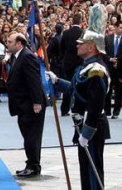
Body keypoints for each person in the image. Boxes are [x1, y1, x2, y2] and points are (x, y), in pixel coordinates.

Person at [46, 25, 110, 190]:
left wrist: (87, 133)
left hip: (92, 125)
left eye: (81, 43)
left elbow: (95, 106)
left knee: (92, 168)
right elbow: (77, 90)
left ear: (91, 47)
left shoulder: (97, 71)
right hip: (83, 123)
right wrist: (57, 81)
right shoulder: (86, 67)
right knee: (85, 167)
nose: (77, 45)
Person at [6, 33, 46, 177]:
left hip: (31, 104)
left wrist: (36, 102)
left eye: (10, 41)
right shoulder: (17, 56)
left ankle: (33, 166)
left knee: (31, 136)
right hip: (23, 104)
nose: (7, 43)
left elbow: (34, 81)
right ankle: (32, 163)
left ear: (19, 43)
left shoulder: (27, 56)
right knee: (28, 135)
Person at [60, 13, 83, 116]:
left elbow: (62, 48)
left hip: (68, 63)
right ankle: (77, 108)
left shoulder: (65, 33)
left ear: (72, 22)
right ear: (81, 22)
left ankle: (64, 109)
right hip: (80, 63)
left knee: (67, 86)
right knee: (80, 86)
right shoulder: (83, 33)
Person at [104, 22, 122, 118]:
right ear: (115, 27)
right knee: (108, 90)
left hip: (119, 69)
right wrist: (110, 59)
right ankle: (107, 110)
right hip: (109, 68)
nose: (121, 29)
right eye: (120, 27)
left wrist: (118, 62)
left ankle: (116, 112)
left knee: (119, 91)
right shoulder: (107, 38)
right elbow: (103, 52)